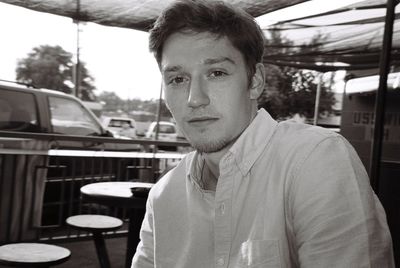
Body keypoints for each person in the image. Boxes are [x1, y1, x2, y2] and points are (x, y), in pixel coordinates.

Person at [131, 1, 394, 267]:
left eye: (217, 73)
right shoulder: (163, 196)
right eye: (177, 79)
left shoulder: (316, 160)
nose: (195, 99)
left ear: (254, 81)